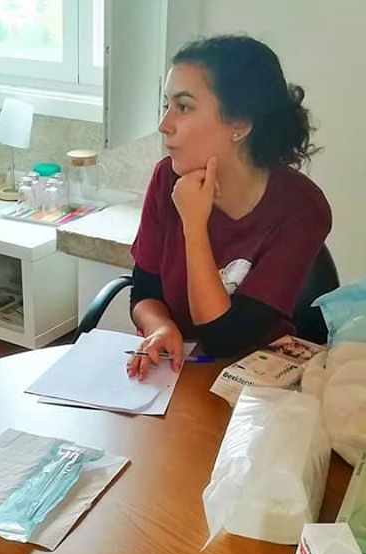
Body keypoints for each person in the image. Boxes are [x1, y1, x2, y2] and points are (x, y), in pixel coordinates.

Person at [128, 35, 332, 380]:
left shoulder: (301, 208)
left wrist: (194, 225)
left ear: (239, 124)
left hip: (252, 382)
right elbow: (144, 290)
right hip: (174, 370)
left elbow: (223, 337)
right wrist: (159, 325)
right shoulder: (166, 179)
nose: (164, 124)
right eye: (166, 105)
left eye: (183, 107)